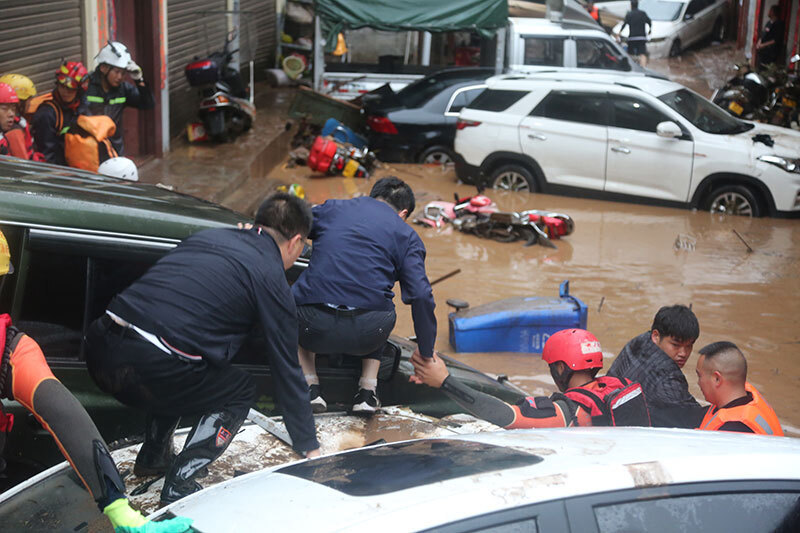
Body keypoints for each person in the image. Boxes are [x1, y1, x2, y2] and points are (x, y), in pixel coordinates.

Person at [84, 193, 321, 505]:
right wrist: (308, 444)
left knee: (190, 363)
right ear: (296, 241)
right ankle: (180, 483)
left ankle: (154, 456)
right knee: (238, 389)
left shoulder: (210, 237)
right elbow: (287, 368)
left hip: (100, 345)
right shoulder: (270, 276)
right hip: (149, 364)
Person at [0, 230, 191, 533]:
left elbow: (63, 413)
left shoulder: (11, 350)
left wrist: (116, 503)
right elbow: (63, 413)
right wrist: (116, 505)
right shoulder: (11, 349)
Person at [292, 176, 436, 414]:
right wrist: (427, 353)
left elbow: (291, 220)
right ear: (403, 213)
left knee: (292, 301)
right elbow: (421, 295)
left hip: (312, 326)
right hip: (369, 333)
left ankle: (310, 387)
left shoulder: (333, 208)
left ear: (373, 196)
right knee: (381, 305)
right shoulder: (408, 236)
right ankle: (367, 393)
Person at [411, 328, 650, 428]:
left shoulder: (569, 412)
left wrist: (444, 381)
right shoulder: (619, 388)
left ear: (559, 369)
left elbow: (504, 415)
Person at [607, 304, 707, 428]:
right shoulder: (669, 378)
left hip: (609, 410)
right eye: (675, 345)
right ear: (656, 336)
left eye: (689, 346)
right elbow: (697, 419)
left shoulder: (639, 341)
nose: (683, 353)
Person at [695, 341, 783, 435]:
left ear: (717, 379)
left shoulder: (734, 430)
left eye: (699, 376)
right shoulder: (746, 393)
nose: (698, 382)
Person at [87, 41, 155, 156]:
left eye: (123, 73)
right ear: (103, 68)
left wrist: (139, 80)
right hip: (90, 151)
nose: (120, 77)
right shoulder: (86, 87)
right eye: (117, 72)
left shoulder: (123, 89)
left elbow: (148, 104)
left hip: (115, 151)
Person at [32, 61, 89, 165]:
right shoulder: (47, 114)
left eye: (70, 89)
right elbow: (47, 156)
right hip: (61, 172)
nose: (65, 92)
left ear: (79, 91)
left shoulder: (82, 107)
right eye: (62, 86)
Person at [0, 74, 43, 161]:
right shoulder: (14, 131)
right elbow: (22, 167)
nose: (11, 114)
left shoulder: (19, 123)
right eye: (4, 108)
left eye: (13, 108)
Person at [618, 0, 652, 66]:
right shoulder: (643, 13)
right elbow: (649, 22)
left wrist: (619, 33)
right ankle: (643, 68)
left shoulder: (629, 14)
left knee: (630, 54)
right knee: (642, 54)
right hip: (642, 38)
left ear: (631, 5)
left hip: (632, 38)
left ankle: (632, 67)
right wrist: (650, 30)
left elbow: (624, 24)